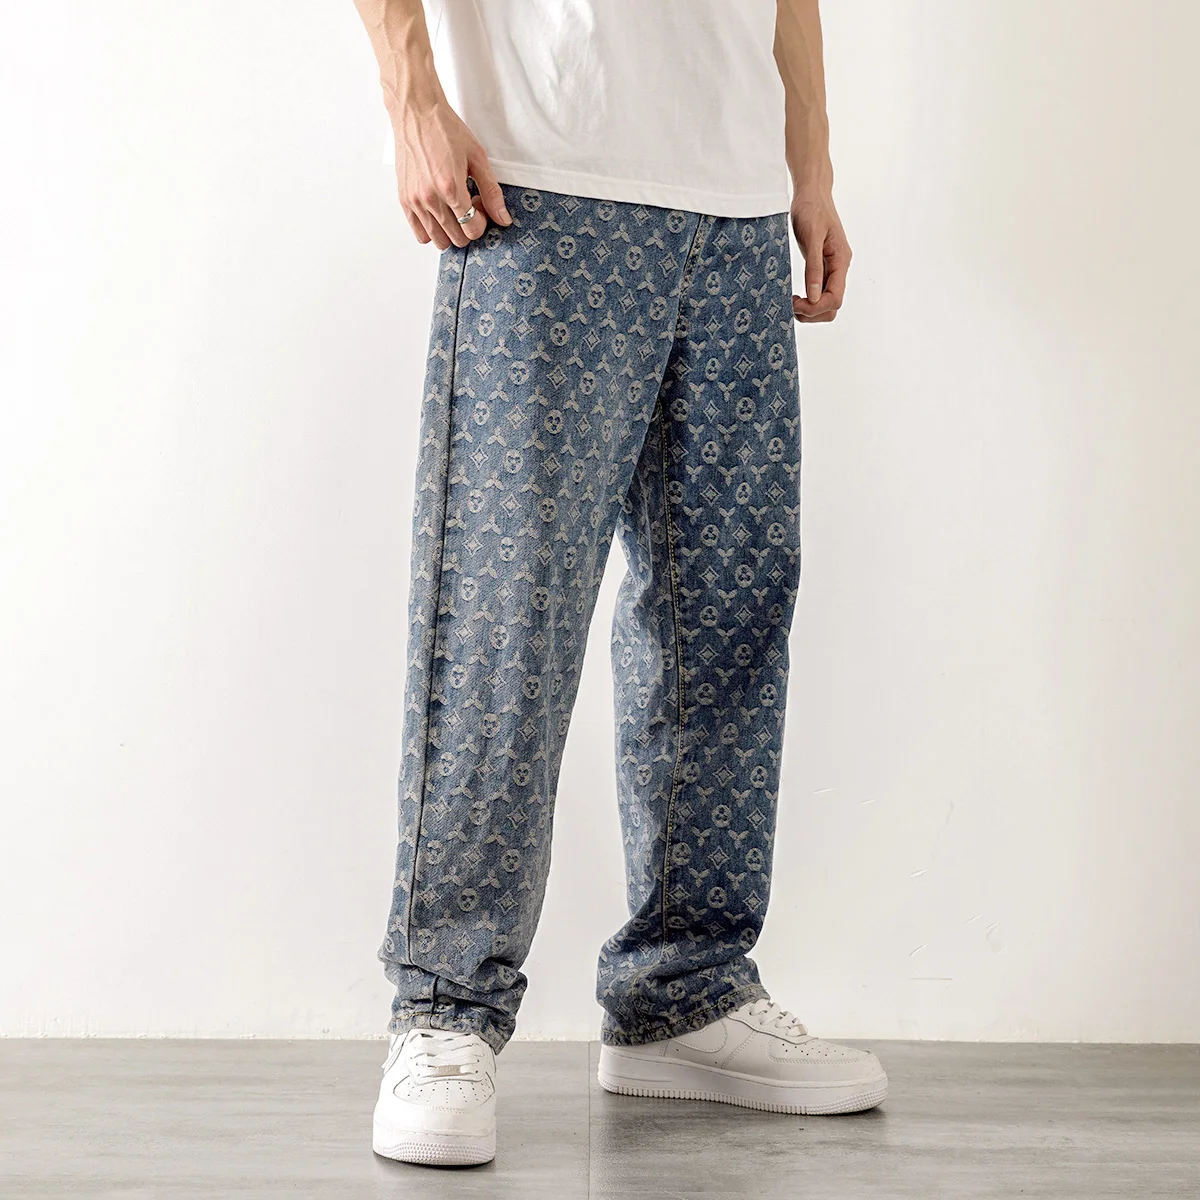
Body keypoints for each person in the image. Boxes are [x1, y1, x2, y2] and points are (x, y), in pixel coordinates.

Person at [352, 0, 886, 1168]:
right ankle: (445, 1007)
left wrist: (809, 162)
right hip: (543, 178)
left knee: (725, 619)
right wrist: (413, 99)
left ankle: (684, 993)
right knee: (507, 614)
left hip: (736, 205)